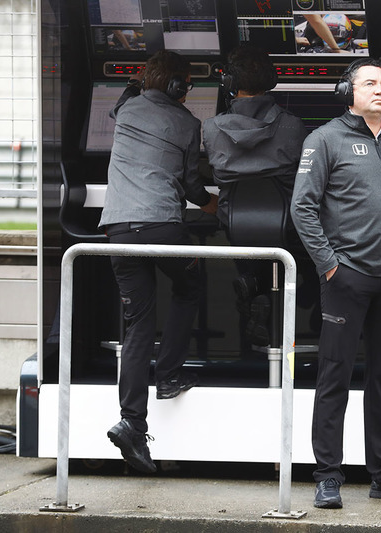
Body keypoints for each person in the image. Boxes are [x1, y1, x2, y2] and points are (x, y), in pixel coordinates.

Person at [291, 57, 381, 509]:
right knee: (334, 375)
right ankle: (328, 476)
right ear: (346, 91)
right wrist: (330, 266)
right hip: (346, 278)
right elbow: (302, 209)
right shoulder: (324, 140)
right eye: (370, 83)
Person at [98, 50, 218, 473]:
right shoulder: (188, 123)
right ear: (179, 87)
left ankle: (132, 421)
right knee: (190, 287)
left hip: (117, 229)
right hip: (162, 228)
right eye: (186, 84)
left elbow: (129, 94)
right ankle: (168, 376)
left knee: (138, 323)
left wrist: (141, 80)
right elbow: (191, 187)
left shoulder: (126, 107)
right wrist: (212, 204)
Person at [203, 44, 312, 347]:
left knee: (255, 260)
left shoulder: (210, 129)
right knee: (316, 261)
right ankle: (302, 295)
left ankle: (255, 290)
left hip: (237, 228)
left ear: (228, 84)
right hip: (287, 228)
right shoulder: (293, 126)